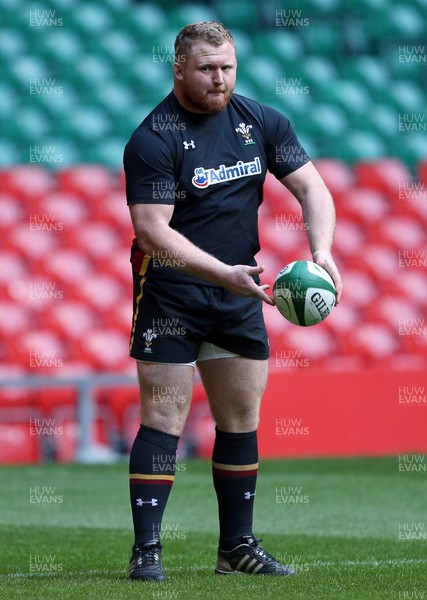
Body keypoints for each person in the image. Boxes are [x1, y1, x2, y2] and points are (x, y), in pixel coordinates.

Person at [123, 21, 342, 581]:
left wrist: (321, 251)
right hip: (172, 291)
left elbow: (313, 187)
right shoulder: (154, 137)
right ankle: (147, 551)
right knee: (164, 415)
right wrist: (221, 274)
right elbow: (152, 229)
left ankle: (236, 548)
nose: (219, 79)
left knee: (241, 417)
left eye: (227, 68)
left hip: (239, 289)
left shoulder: (260, 121)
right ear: (179, 68)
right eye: (206, 69)